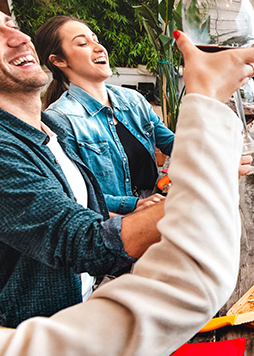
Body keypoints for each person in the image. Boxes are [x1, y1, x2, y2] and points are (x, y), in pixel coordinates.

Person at [0, 21, 254, 356]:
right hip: (59, 316)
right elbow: (88, 242)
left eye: (11, 25)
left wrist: (204, 167)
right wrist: (206, 127)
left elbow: (85, 207)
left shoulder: (45, 128)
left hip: (103, 285)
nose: (19, 36)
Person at [34, 15, 173, 215]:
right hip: (113, 224)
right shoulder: (60, 119)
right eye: (82, 43)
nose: (99, 47)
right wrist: (134, 205)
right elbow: (77, 194)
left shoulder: (133, 99)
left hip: (157, 204)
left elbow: (172, 143)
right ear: (59, 61)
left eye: (95, 39)